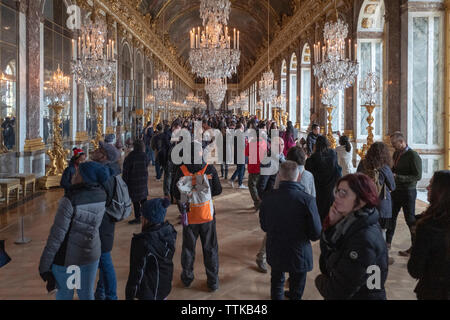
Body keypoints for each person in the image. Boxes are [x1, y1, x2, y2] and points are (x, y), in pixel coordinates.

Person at [39, 162, 110, 300]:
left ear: (84, 178)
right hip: (91, 253)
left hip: (68, 258)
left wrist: (44, 266)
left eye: (77, 173)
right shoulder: (102, 194)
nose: (73, 174)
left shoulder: (70, 200)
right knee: (87, 294)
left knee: (65, 295)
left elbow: (56, 236)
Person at [315, 173, 388, 300]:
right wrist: (331, 225)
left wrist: (319, 280)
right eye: (337, 191)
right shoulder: (349, 224)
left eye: (343, 193)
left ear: (361, 201)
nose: (336, 197)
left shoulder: (363, 239)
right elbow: (327, 263)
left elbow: (336, 292)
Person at [259, 161, 322, 300]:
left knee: (276, 281)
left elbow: (264, 226)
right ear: (299, 176)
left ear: (279, 176)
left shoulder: (268, 197)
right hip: (299, 251)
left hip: (276, 248)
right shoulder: (308, 200)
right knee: (297, 283)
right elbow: (316, 233)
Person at [172, 141, 222, 292]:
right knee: (210, 248)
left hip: (189, 214)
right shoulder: (209, 169)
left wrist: (190, 189)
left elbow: (174, 193)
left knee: (188, 248)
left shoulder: (181, 170)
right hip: (207, 214)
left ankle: (187, 278)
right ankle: (213, 281)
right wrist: (202, 190)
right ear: (200, 153)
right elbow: (218, 190)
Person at [407, 170, 450, 300]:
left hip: (434, 291)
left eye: (431, 184)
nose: (427, 187)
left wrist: (416, 238)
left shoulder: (428, 226)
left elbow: (415, 270)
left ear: (440, 191)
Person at [125, 197, 177, 300]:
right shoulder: (169, 232)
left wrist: (129, 295)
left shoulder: (142, 242)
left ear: (146, 219)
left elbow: (136, 274)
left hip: (148, 291)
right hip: (164, 287)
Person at [90, 141, 122, 301]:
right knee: (103, 260)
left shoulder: (104, 176)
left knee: (104, 260)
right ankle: (101, 292)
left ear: (103, 156)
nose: (94, 150)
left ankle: (111, 295)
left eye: (98, 149)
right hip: (105, 222)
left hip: (101, 223)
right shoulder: (108, 172)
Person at [357, 142, 396, 265]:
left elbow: (356, 180)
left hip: (364, 202)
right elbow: (392, 186)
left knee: (366, 229)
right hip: (381, 204)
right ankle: (382, 257)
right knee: (381, 231)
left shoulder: (363, 164)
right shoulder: (384, 167)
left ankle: (365, 254)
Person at [386, 132, 422, 257]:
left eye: (394, 143)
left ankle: (415, 247)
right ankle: (387, 243)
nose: (393, 146)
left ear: (402, 142)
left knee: (410, 219)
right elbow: (394, 169)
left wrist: (399, 177)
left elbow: (417, 176)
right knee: (391, 217)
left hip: (408, 192)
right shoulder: (397, 153)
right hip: (396, 191)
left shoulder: (413, 155)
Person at [255, 135, 286, 273]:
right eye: (278, 145)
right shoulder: (269, 161)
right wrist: (267, 201)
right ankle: (262, 256)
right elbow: (261, 186)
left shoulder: (281, 158)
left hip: (282, 199)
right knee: (272, 230)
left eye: (283, 144)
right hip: (273, 201)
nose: (281, 147)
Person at [305, 136, 342, 221]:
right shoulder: (333, 154)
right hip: (330, 191)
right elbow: (337, 171)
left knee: (319, 214)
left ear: (316, 145)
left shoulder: (311, 160)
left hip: (317, 191)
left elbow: (308, 175)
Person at [123, 140, 149, 225]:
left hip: (133, 181)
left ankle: (138, 217)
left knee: (135, 201)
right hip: (143, 180)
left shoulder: (130, 157)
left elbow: (126, 171)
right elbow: (147, 165)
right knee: (144, 199)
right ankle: (147, 216)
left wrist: (124, 182)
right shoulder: (144, 155)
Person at [245, 128, 267, 211]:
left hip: (253, 167)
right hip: (263, 166)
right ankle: (260, 201)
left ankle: (257, 202)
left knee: (251, 185)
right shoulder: (264, 143)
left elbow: (246, 154)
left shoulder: (251, 144)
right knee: (260, 185)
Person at [229, 123, 248, 189]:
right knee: (241, 168)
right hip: (242, 154)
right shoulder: (241, 134)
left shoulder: (235, 133)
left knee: (239, 168)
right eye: (243, 126)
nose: (244, 127)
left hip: (237, 153)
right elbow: (243, 145)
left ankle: (233, 180)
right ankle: (239, 183)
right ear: (241, 127)